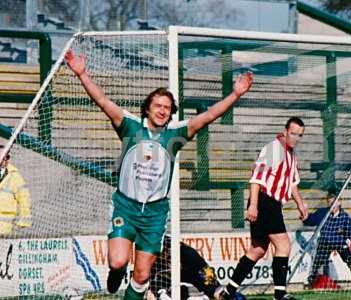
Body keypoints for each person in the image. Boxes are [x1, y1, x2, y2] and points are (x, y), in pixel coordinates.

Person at [65, 50, 253, 300]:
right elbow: (103, 102)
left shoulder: (174, 135)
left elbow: (208, 116)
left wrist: (235, 94)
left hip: (155, 215)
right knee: (119, 261)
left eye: (167, 107)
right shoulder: (130, 126)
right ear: (148, 108)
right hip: (126, 208)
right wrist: (82, 74)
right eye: (158, 106)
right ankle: (115, 271)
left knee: (142, 276)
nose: (162, 111)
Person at [219, 117, 308, 300]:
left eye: (300, 135)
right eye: (293, 133)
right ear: (285, 131)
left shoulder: (291, 155)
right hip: (265, 201)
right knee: (283, 244)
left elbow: (292, 184)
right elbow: (257, 177)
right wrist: (253, 204)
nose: (295, 138)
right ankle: (280, 294)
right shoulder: (273, 149)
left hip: (271, 204)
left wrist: (300, 203)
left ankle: (229, 292)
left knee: (257, 250)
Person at [148, 236, 246, 300]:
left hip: (192, 274)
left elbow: (205, 269)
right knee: (152, 295)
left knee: (218, 294)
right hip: (167, 279)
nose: (163, 253)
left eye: (165, 250)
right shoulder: (153, 258)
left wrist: (214, 286)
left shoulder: (186, 253)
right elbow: (150, 277)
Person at [302, 188, 351, 289]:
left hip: (339, 242)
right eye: (330, 202)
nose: (332, 205)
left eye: (334, 202)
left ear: (339, 202)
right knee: (317, 262)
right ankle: (311, 281)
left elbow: (350, 233)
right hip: (325, 241)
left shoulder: (344, 216)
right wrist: (305, 217)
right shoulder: (323, 213)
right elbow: (310, 220)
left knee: (350, 260)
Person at [0, 145, 32, 235]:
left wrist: (24, 221)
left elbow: (24, 198)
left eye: (6, 157)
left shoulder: (15, 176)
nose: (4, 159)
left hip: (4, 230)